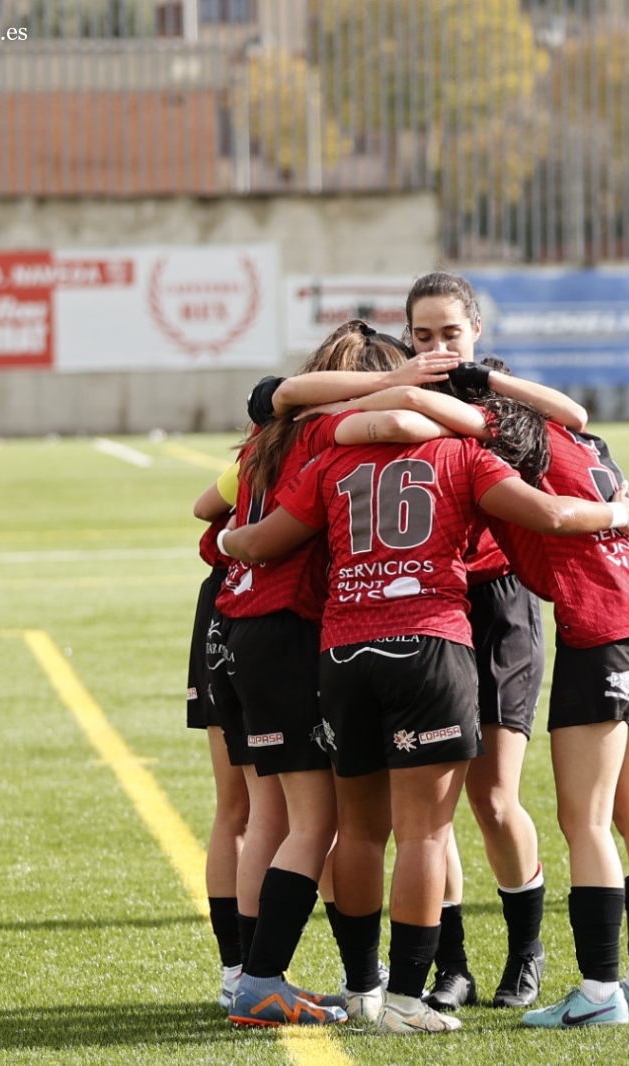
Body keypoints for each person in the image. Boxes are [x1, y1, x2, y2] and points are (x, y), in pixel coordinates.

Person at [218, 395, 629, 1036]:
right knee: (425, 835)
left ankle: (363, 986)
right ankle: (408, 1001)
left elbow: (257, 540)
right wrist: (620, 511)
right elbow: (552, 513)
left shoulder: (331, 460)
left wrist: (223, 534)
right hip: (428, 645)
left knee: (357, 832)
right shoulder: (464, 454)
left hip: (342, 651)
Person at [265, 271, 577, 1012]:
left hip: (490, 597)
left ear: (477, 335)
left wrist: (482, 384)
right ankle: (448, 964)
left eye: (451, 334)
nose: (438, 348)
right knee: (421, 812)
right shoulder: (399, 394)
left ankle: (526, 948)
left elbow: (573, 412)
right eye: (423, 336)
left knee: (491, 796)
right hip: (410, 610)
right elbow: (278, 397)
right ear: (407, 339)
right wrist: (399, 383)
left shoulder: (497, 400)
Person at [218, 324, 426, 1028]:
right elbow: (389, 418)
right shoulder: (328, 428)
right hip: (287, 629)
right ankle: (261, 983)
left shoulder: (262, 441)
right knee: (318, 822)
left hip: (242, 630)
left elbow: (209, 525)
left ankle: (252, 973)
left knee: (278, 819)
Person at [476, 395, 629, 1030]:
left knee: (584, 820)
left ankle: (598, 992)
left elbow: (555, 514)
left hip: (602, 630)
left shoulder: (509, 455)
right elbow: (575, 409)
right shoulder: (577, 439)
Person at [189, 463, 252, 1011]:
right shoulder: (313, 438)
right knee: (314, 810)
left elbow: (206, 508)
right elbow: (206, 508)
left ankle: (238, 969)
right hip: (263, 606)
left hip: (225, 602)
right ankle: (244, 968)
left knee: (236, 808)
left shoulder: (263, 444)